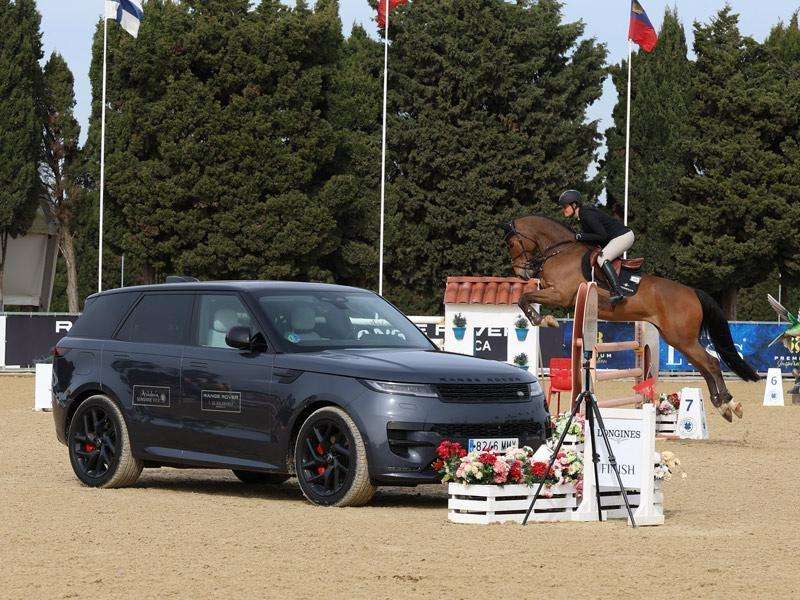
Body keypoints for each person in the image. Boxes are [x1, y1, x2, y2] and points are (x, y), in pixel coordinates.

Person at [557, 190, 634, 306]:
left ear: (574, 205)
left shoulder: (586, 214)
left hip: (623, 236)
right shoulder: (583, 215)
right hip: (616, 237)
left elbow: (602, 235)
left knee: (602, 259)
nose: (564, 210)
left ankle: (618, 292)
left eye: (565, 206)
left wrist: (580, 236)